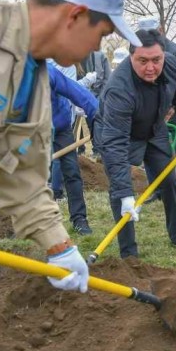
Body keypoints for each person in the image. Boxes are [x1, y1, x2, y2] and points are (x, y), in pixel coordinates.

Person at [0, 0, 140, 351]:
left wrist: (59, 246)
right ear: (75, 15)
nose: (98, 50)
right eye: (102, 35)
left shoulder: (36, 94)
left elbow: (24, 183)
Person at [95, 29, 176, 258]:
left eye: (156, 60)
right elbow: (115, 145)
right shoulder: (118, 89)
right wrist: (124, 193)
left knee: (170, 180)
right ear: (131, 56)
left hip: (154, 128)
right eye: (142, 61)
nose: (150, 67)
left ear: (164, 55)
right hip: (121, 134)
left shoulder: (171, 65)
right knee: (120, 192)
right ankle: (129, 252)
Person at [138, 16, 176, 204]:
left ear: (161, 30)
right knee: (152, 150)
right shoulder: (141, 51)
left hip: (173, 110)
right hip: (152, 113)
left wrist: (171, 108)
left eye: (151, 33)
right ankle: (157, 188)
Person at [47, 62, 99, 235]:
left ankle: (79, 219)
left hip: (60, 127)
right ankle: (25, 221)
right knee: (29, 176)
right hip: (32, 132)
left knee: (71, 171)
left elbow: (78, 93)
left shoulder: (47, 72)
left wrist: (97, 118)